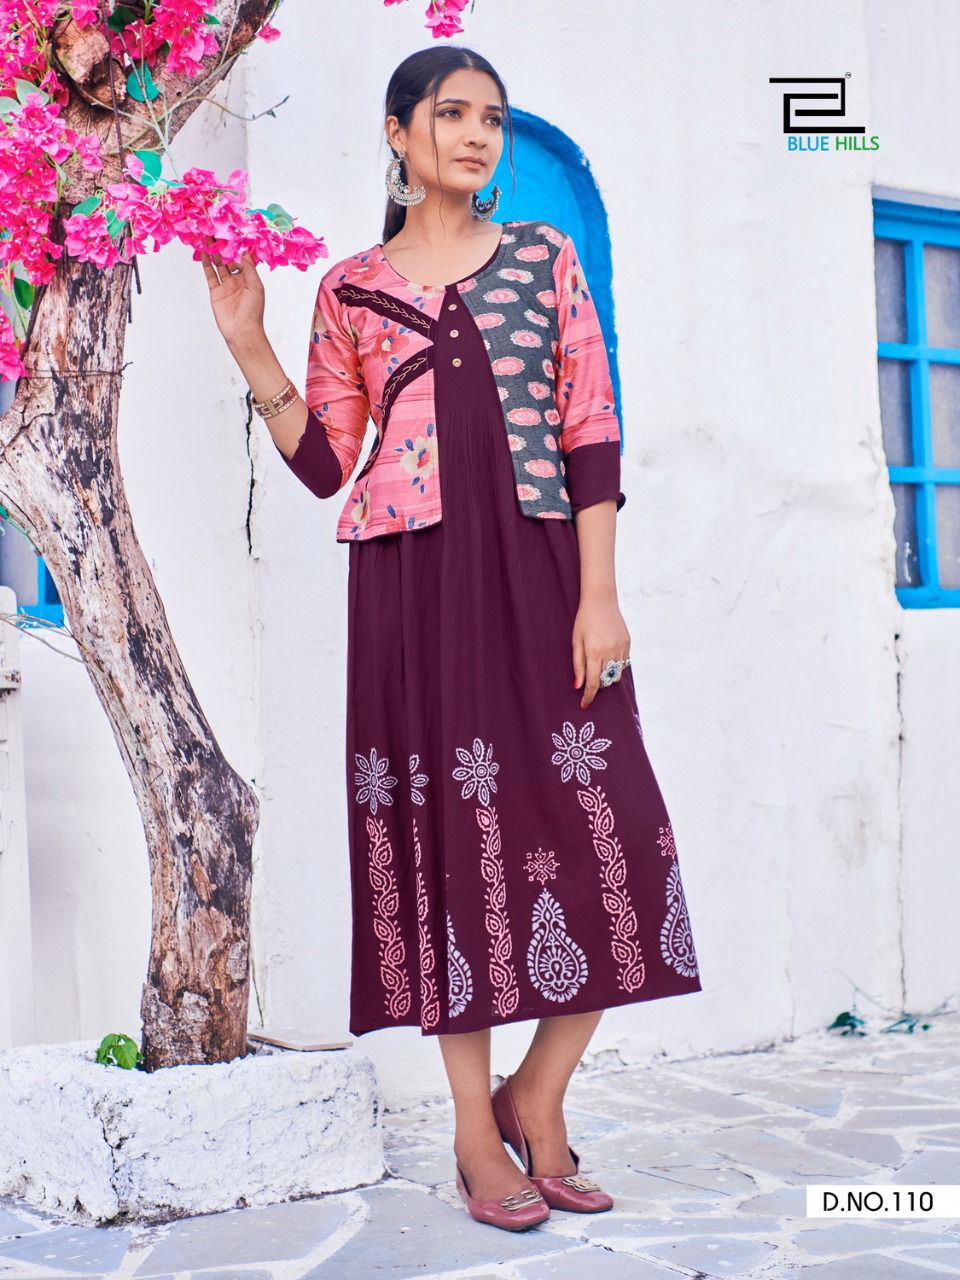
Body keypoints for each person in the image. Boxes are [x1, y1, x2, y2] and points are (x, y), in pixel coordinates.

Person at [201, 45, 701, 1233]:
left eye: (493, 118)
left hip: (544, 574)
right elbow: (327, 463)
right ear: (399, 132)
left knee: (614, 832)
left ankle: (540, 1088)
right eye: (453, 114)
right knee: (449, 844)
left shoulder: (545, 257)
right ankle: (478, 1123)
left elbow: (590, 425)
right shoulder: (351, 289)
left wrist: (599, 593)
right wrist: (250, 343)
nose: (478, 136)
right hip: (413, 587)